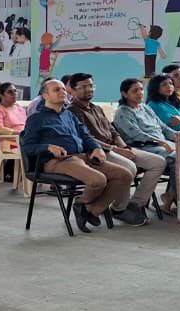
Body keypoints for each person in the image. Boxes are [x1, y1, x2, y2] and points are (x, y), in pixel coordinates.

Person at [21, 79, 134, 233]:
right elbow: (28, 147)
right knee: (98, 180)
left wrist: (96, 148)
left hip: (82, 156)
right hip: (57, 161)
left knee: (125, 175)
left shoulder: (69, 115)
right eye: (56, 90)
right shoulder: (36, 119)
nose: (62, 92)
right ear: (45, 95)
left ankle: (90, 210)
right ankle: (82, 204)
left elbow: (85, 135)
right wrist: (48, 147)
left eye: (63, 89)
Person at [65, 75, 158, 225]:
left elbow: (113, 132)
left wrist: (124, 147)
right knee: (129, 167)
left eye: (91, 86)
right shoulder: (71, 111)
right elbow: (85, 138)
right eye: (83, 87)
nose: (89, 89)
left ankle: (135, 203)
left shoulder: (96, 108)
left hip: (116, 148)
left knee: (158, 162)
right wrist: (116, 149)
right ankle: (119, 209)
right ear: (72, 90)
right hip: (96, 152)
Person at [112, 78, 179, 214]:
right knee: (178, 159)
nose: (140, 93)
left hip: (162, 144)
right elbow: (137, 134)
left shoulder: (145, 108)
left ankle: (172, 196)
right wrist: (162, 143)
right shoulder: (123, 112)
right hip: (143, 147)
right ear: (125, 94)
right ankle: (172, 197)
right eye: (135, 91)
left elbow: (163, 128)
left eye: (141, 89)